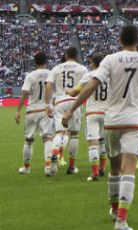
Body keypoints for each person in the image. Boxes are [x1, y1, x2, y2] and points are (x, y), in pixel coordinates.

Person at [62, 25, 138, 230]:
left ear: (120, 40)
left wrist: (71, 110)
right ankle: (121, 220)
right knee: (129, 167)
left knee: (113, 168)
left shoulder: (110, 59)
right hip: (135, 120)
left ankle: (114, 209)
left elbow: (91, 85)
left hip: (113, 120)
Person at [45, 46, 89, 176]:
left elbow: (48, 85)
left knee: (60, 132)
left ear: (65, 55)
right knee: (74, 134)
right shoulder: (82, 69)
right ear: (77, 56)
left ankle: (54, 152)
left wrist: (48, 104)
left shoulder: (56, 68)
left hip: (59, 102)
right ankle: (71, 167)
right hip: (75, 101)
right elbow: (87, 86)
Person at [66, 53, 110, 181]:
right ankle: (102, 168)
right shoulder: (110, 75)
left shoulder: (89, 76)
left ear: (93, 63)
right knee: (103, 142)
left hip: (93, 113)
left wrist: (67, 90)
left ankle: (95, 172)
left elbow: (75, 92)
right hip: (108, 113)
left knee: (93, 142)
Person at [14, 52, 53, 175]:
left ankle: (26, 168)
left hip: (31, 110)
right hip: (46, 110)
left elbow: (25, 93)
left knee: (28, 140)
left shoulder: (30, 76)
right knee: (47, 139)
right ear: (46, 61)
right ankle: (48, 167)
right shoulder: (52, 74)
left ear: (35, 63)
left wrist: (18, 110)